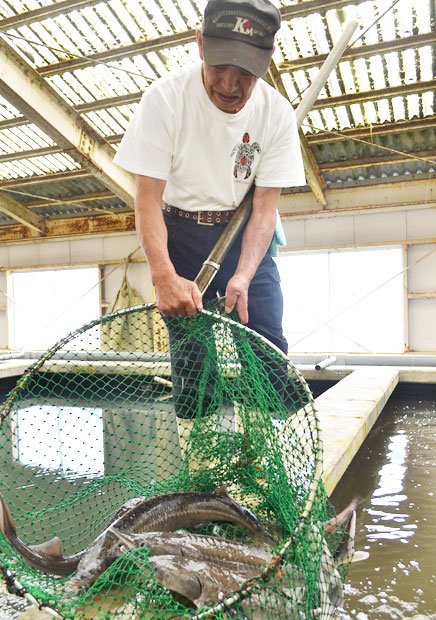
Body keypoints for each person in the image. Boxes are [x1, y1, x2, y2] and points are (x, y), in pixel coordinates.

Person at [114, 0, 306, 420]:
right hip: (178, 233)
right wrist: (163, 276)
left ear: (267, 59)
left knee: (267, 341)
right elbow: (146, 199)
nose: (230, 85)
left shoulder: (275, 115)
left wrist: (243, 274)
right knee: (191, 353)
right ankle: (202, 464)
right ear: (200, 44)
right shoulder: (164, 100)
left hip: (243, 235)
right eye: (221, 66)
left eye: (246, 72)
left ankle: (268, 448)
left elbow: (264, 208)